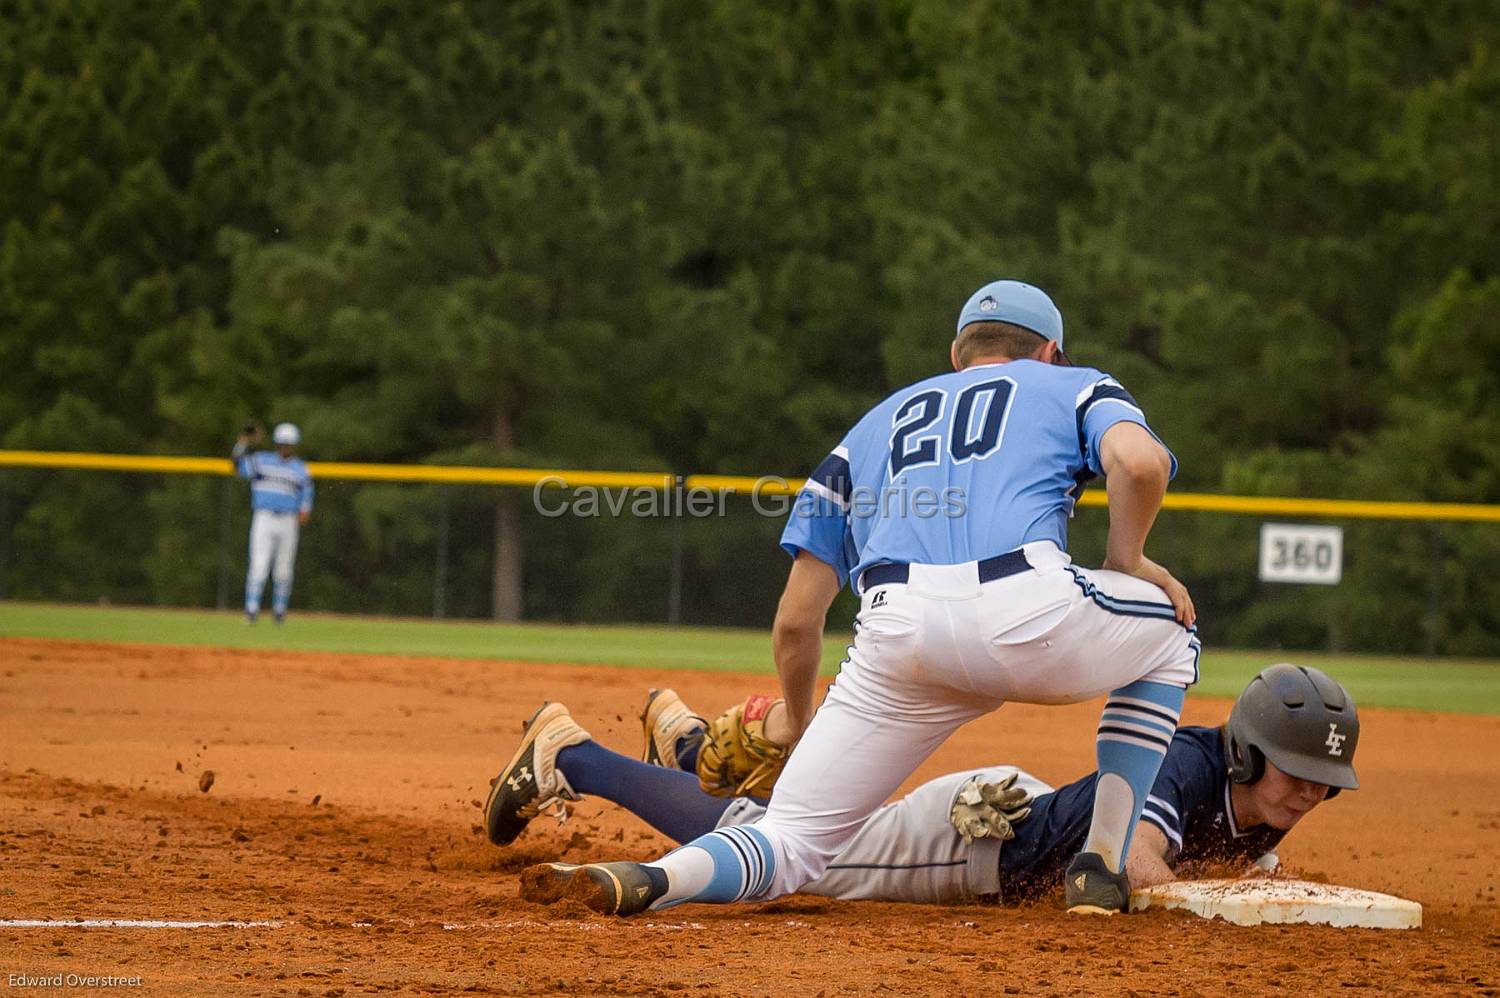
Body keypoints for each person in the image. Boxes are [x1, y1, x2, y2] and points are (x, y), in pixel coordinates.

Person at [522, 279, 1201, 915]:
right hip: (1028, 614)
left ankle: (654, 879)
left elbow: (796, 621)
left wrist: (795, 720)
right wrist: (1127, 559)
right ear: (1050, 352)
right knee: (1174, 633)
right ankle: (1101, 863)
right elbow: (1138, 464)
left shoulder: (874, 425)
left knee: (787, 841)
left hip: (895, 635)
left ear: (955, 354)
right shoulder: (1073, 385)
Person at [498, 664, 1358, 907]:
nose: (1307, 795)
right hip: (975, 840)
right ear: (1245, 753)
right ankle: (573, 755)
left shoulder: (1261, 803)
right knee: (796, 855)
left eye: (1325, 783)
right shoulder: (1188, 764)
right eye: (1297, 772)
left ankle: (689, 741)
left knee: (799, 815)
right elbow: (1135, 858)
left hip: (1009, 815)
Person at [232, 422, 314, 625]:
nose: (285, 447)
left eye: (289, 444)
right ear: (277, 443)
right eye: (282, 443)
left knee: (283, 569)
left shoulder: (301, 469)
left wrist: (305, 510)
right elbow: (236, 466)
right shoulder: (262, 460)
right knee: (259, 564)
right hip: (264, 517)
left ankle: (279, 611)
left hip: (288, 519)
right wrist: (243, 442)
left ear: (294, 445)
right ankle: (251, 610)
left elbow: (306, 494)